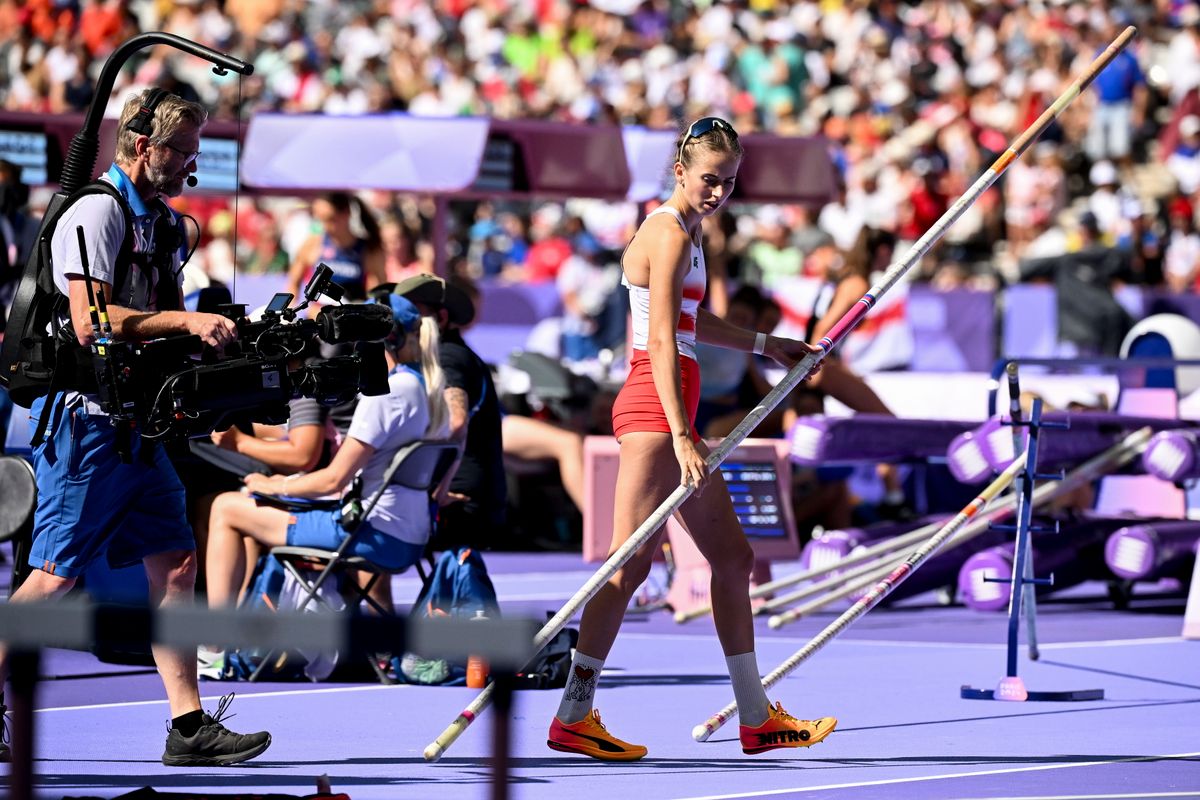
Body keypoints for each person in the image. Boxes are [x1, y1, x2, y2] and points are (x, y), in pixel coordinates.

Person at [546, 117, 836, 762]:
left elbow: (687, 318)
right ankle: (574, 712)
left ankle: (757, 717)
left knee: (733, 562)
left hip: (671, 401)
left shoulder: (689, 230)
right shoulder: (667, 231)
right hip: (657, 404)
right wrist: (681, 436)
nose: (717, 193)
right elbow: (656, 343)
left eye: (729, 183)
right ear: (680, 170)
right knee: (627, 567)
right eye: (709, 179)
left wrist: (768, 345)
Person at [0, 88, 271, 766]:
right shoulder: (97, 212)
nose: (190, 165)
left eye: (196, 152)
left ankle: (189, 728)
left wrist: (224, 342)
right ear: (143, 146)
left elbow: (169, 323)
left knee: (177, 565)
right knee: (53, 582)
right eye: (180, 151)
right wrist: (184, 323)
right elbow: (93, 323)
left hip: (137, 428)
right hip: (87, 425)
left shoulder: (165, 225)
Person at [202, 295, 449, 617]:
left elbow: (334, 478)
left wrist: (274, 485)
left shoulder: (386, 394)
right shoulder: (430, 387)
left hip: (372, 535)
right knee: (254, 502)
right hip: (412, 534)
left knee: (227, 507)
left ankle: (216, 643)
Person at [393, 274, 507, 551]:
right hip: (465, 494)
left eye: (413, 314)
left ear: (440, 318)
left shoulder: (447, 357)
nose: (404, 323)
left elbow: (456, 422)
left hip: (458, 500)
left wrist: (435, 486)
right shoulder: (448, 354)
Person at [284, 192, 386, 303]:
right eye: (320, 219)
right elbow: (293, 283)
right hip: (318, 316)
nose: (325, 226)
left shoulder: (368, 249)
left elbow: (379, 290)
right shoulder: (313, 243)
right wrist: (290, 308)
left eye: (330, 219)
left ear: (347, 214)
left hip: (352, 314)